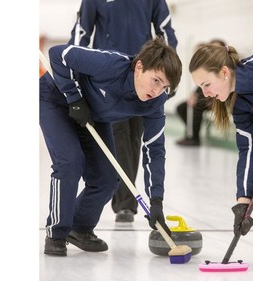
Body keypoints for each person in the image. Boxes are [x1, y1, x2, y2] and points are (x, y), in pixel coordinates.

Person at [40, 37, 182, 256]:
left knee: (108, 177)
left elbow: (155, 150)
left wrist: (156, 201)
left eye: (165, 87)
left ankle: (79, 228)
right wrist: (74, 97)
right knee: (70, 162)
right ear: (139, 67)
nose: (157, 91)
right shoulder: (110, 65)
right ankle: (56, 232)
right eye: (156, 80)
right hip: (55, 99)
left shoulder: (155, 103)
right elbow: (58, 54)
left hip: (93, 115)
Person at [68, 0, 178, 222]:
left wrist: (168, 74)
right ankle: (126, 203)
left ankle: (126, 200)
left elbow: (165, 28)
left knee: (135, 138)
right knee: (119, 136)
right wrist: (74, 70)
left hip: (145, 75)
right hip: (110, 77)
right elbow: (82, 29)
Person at [189, 44, 253, 265]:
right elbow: (248, 149)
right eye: (201, 87)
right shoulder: (239, 103)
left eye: (206, 84)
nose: (205, 94)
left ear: (224, 72)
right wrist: (243, 202)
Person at [176, 38, 226, 146]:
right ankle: (192, 133)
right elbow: (202, 85)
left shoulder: (223, 65)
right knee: (182, 107)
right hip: (206, 97)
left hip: (219, 98)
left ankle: (194, 138)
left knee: (197, 105)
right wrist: (193, 95)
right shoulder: (208, 66)